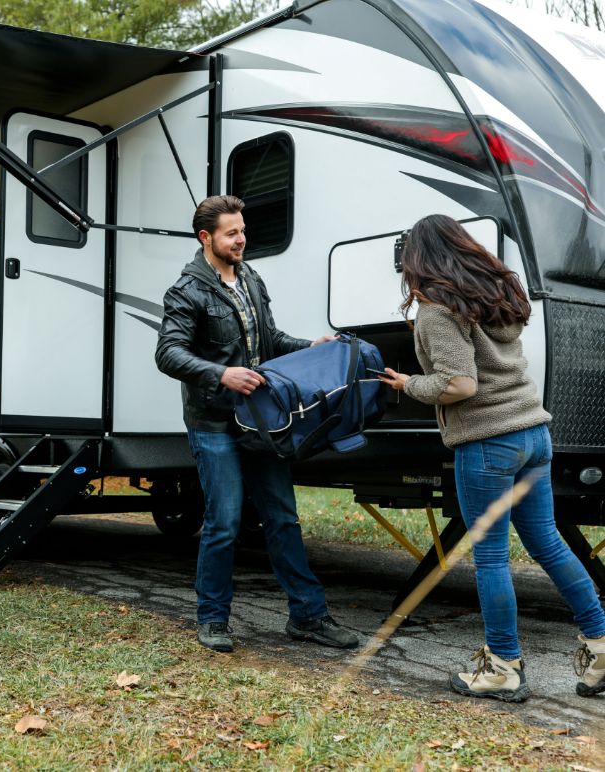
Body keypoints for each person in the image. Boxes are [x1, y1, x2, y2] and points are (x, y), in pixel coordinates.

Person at [378, 214, 605, 702]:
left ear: (419, 258)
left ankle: (502, 665)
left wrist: (408, 385)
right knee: (547, 543)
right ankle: (601, 646)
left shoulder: (439, 309)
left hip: (488, 442)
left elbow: (460, 384)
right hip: (533, 434)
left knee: (491, 559)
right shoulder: (496, 296)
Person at [155, 194, 359, 654]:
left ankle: (307, 616)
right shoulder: (186, 291)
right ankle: (212, 619)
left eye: (242, 230)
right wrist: (220, 373)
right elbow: (168, 353)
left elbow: (270, 340)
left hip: (262, 422)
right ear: (206, 238)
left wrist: (313, 346)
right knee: (224, 521)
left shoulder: (251, 279)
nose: (242, 239)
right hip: (213, 422)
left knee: (283, 517)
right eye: (232, 232)